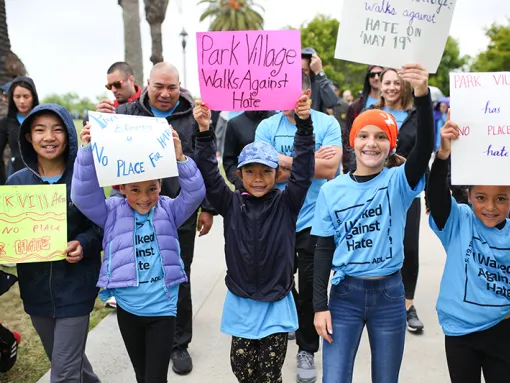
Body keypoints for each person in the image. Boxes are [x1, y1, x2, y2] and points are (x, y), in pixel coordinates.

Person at [312, 64, 433, 382]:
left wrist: (421, 95)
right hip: (344, 296)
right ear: (352, 142)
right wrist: (319, 306)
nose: (371, 143)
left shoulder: (399, 182)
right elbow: (323, 249)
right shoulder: (332, 190)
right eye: (363, 135)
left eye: (381, 137)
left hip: (390, 295)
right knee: (334, 378)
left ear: (391, 145)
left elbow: (422, 149)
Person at [96, 62, 215, 374]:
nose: (165, 93)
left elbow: (203, 162)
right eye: (159, 86)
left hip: (177, 212)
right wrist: (100, 125)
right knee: (138, 269)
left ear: (180, 87)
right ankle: (139, 325)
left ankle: (179, 343)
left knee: (178, 274)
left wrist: (209, 208)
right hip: (132, 208)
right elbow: (105, 156)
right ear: (147, 84)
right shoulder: (125, 114)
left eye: (172, 87)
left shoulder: (192, 115)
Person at [71, 122, 205, 383]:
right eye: (135, 190)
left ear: (161, 186)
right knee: (142, 375)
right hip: (128, 309)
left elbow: (195, 192)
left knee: (155, 379)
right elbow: (82, 195)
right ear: (122, 188)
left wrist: (180, 159)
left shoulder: (169, 210)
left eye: (152, 189)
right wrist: (87, 152)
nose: (144, 197)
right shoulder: (111, 211)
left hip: (163, 309)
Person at [194, 93, 314, 383]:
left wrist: (304, 126)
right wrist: (203, 131)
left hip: (276, 301)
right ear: (239, 174)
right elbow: (209, 174)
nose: (258, 178)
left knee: (270, 374)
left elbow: (303, 172)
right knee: (243, 369)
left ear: (277, 175)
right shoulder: (230, 202)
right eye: (250, 171)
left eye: (265, 172)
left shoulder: (287, 203)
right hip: (241, 300)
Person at [255, 71, 342, 383]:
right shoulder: (267, 126)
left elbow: (330, 169)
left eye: (293, 90)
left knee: (310, 289)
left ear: (307, 92)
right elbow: (263, 174)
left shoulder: (327, 124)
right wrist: (306, 161)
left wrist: (283, 162)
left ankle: (307, 349)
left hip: (316, 220)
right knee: (279, 283)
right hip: (277, 217)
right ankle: (286, 329)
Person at [6, 104, 103, 383]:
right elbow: (9, 234)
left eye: (57, 129)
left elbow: (101, 225)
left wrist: (83, 243)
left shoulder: (85, 179)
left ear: (69, 135)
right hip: (36, 293)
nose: (49, 137)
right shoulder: (16, 185)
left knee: (63, 375)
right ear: (28, 137)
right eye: (40, 130)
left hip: (76, 288)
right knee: (68, 362)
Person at [427, 114, 510, 383]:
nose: (490, 207)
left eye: (501, 199)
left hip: (503, 329)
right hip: (460, 331)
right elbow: (438, 197)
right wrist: (443, 155)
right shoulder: (458, 221)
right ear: (469, 195)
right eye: (481, 198)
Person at [369, 67, 425, 332]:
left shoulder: (416, 116)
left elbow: (425, 150)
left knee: (409, 247)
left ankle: (407, 304)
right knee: (378, 242)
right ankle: (379, 298)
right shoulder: (371, 113)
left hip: (407, 190)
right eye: (386, 82)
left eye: (395, 82)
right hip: (375, 190)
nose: (390, 87)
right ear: (380, 86)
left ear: (404, 86)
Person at [342, 65, 384, 173]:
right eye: (372, 75)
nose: (376, 78)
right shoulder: (356, 106)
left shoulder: (394, 105)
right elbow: (348, 137)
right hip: (361, 166)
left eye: (379, 74)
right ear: (367, 78)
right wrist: (348, 168)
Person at [0, 76, 39, 185]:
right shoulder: (5, 123)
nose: (22, 101)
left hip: (41, 178)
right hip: (15, 178)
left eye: (26, 96)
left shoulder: (42, 120)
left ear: (33, 97)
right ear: (11, 97)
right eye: (17, 96)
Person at [222, 110, 275, 190]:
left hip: (275, 186)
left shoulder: (278, 120)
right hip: (246, 189)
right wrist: (241, 182)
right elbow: (229, 160)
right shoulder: (235, 123)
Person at [301, 47, 339, 113]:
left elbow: (332, 102)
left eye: (304, 70)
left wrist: (319, 72)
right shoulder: (291, 84)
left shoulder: (321, 84)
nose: (300, 73)